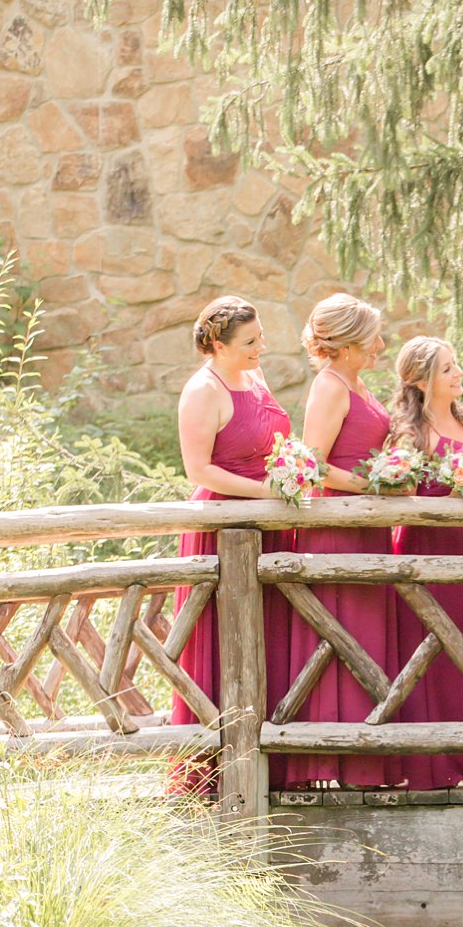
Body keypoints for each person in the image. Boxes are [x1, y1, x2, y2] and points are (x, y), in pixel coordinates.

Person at [171, 293, 295, 793]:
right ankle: (215, 772)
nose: (260, 347)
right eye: (249, 342)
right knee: (224, 644)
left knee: (269, 636)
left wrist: (290, 471)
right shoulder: (203, 389)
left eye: (260, 337)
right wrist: (266, 490)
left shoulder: (254, 376)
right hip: (223, 524)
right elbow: (198, 468)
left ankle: (275, 763)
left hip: (268, 521)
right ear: (217, 345)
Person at [287, 291, 401, 788]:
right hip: (338, 528)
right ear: (350, 342)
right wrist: (370, 482)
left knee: (368, 636)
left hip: (368, 526)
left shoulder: (359, 383)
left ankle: (369, 759)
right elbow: (312, 463)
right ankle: (336, 761)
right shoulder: (330, 386)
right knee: (343, 633)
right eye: (372, 336)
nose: (380, 344)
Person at [390, 335, 463, 789]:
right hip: (431, 555)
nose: (458, 373)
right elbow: (400, 493)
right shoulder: (409, 433)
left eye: (456, 364)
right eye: (447, 368)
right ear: (420, 381)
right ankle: (435, 766)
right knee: (433, 655)